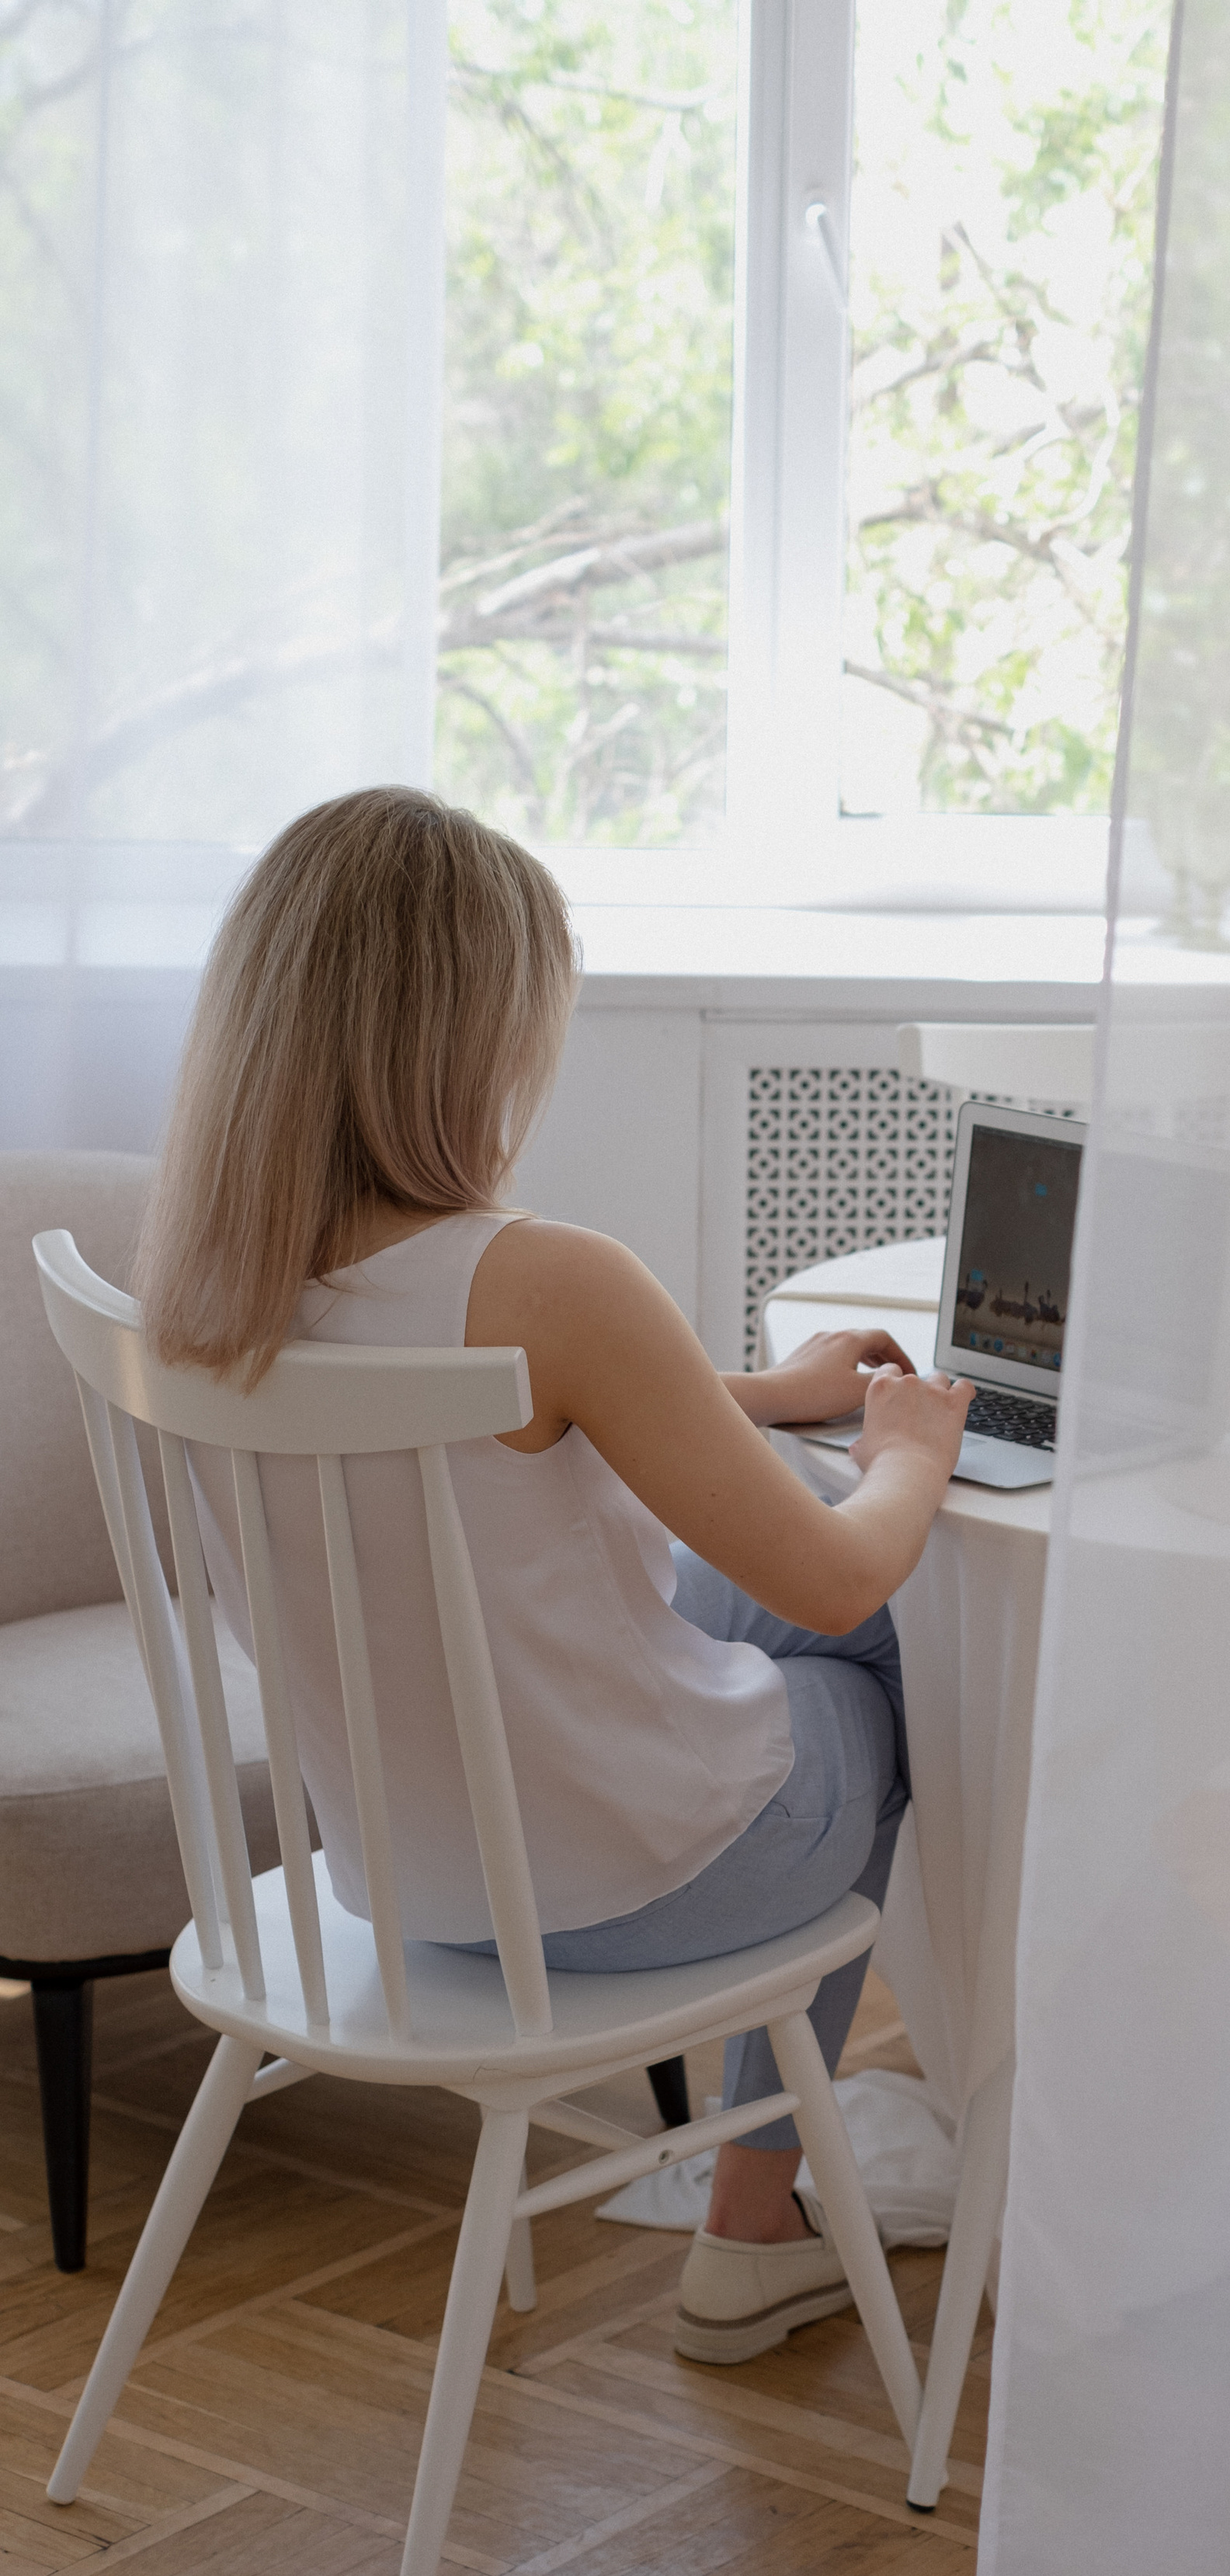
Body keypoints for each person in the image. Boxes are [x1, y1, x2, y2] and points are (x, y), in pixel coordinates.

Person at [134, 784, 971, 2363]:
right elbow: (834, 1587)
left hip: (398, 1883)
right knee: (886, 1654)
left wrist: (756, 1396)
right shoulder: (551, 1280)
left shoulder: (204, 1277)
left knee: (712, 1603)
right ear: (469, 1037)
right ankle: (753, 2208)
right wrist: (905, 1448)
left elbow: (464, 1421)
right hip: (628, 1882)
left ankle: (786, 2172)